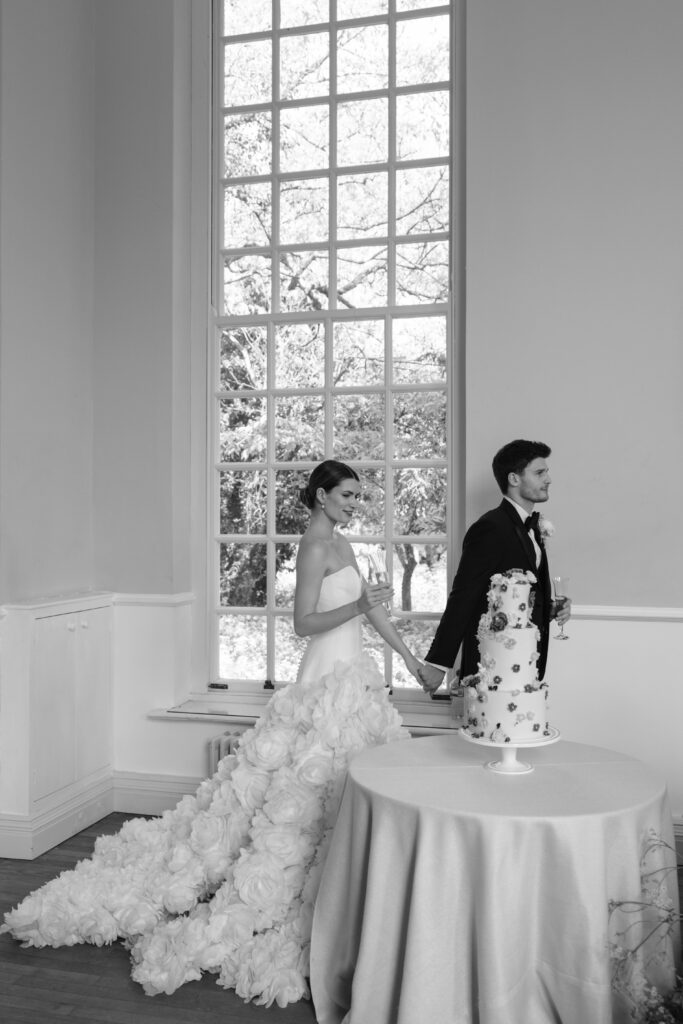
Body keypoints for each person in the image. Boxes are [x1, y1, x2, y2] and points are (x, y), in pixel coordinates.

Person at [2, 460, 422, 1008]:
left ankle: (362, 880)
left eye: (358, 496)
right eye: (347, 495)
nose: (354, 503)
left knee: (353, 784)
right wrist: (357, 605)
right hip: (322, 676)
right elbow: (303, 624)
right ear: (321, 496)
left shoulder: (343, 543)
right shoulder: (314, 546)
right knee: (306, 792)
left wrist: (413, 661)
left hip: (356, 676)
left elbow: (369, 616)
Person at [418, 439, 572, 694]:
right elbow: (463, 596)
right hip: (491, 667)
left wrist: (550, 609)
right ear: (514, 478)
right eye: (540, 472)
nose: (549, 479)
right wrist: (438, 662)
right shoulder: (490, 527)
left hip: (524, 663)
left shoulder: (533, 527)